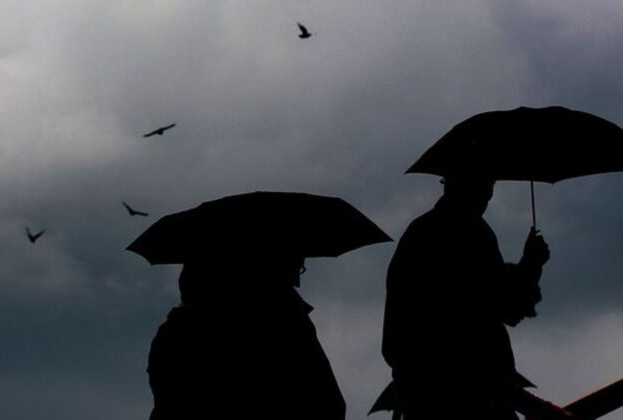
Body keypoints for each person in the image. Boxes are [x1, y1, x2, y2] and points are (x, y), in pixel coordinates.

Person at [380, 172, 557, 420]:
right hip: (475, 395)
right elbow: (504, 305)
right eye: (487, 184)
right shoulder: (472, 232)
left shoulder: (418, 232)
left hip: (421, 395)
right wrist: (531, 264)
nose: (489, 195)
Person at [147, 254, 347, 420]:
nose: (298, 279)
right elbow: (328, 403)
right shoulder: (282, 321)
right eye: (296, 265)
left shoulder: (174, 332)